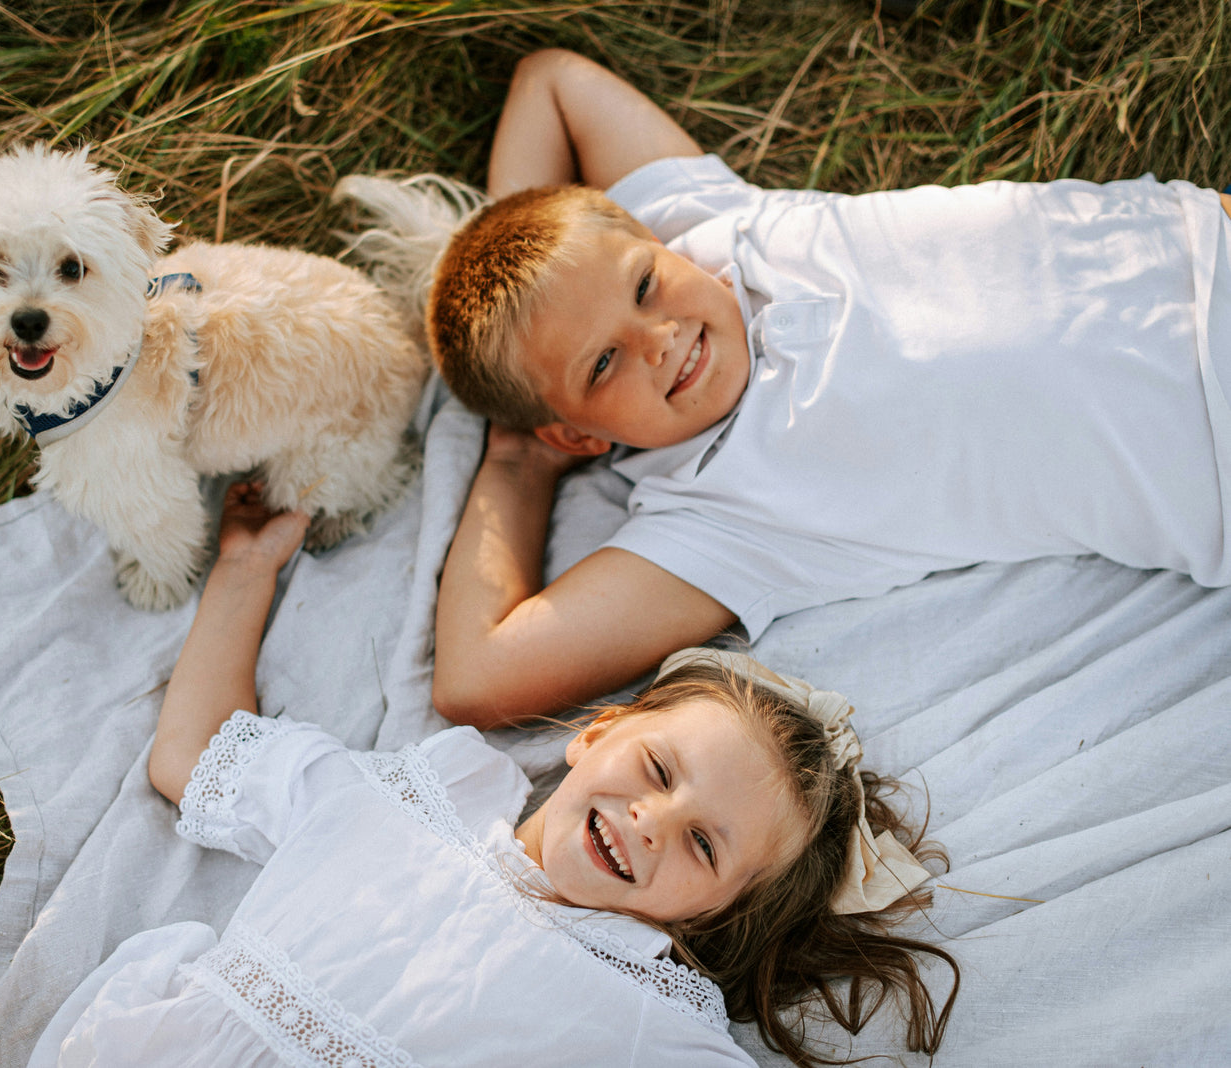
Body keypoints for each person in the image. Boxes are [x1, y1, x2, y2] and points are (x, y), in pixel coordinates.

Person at [428, 48, 1231, 727]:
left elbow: (551, 82)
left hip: (1206, 247)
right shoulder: (711, 524)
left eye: (644, 287)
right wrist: (518, 462)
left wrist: (526, 258)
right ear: (576, 434)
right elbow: (476, 678)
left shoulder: (707, 224)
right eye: (601, 365)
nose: (660, 339)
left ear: (651, 240)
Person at [27, 484, 958, 1068]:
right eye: (660, 770)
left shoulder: (644, 1014)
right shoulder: (403, 804)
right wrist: (245, 568)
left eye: (703, 845)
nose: (648, 821)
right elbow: (191, 756)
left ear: (711, 915)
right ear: (596, 735)